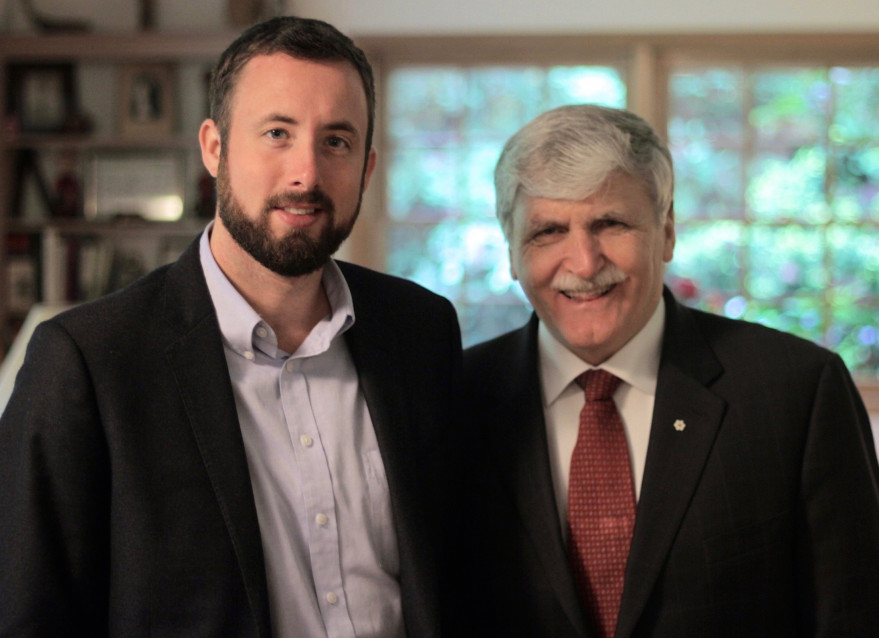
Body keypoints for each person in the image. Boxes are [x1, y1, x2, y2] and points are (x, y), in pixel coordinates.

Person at [0, 17, 463, 637]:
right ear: (214, 148)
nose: (306, 173)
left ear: (368, 166)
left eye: (337, 141)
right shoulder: (88, 361)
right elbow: (28, 615)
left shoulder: (422, 332)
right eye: (277, 133)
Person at [461, 104, 879, 637]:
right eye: (548, 231)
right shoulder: (453, 399)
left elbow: (854, 616)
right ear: (512, 249)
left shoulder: (799, 390)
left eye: (610, 223)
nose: (584, 263)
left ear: (667, 231)